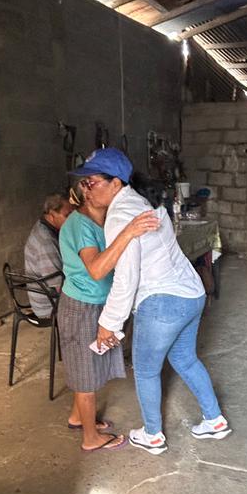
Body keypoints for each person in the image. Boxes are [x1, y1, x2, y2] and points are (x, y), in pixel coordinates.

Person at [78, 148, 230, 456]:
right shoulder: (141, 202)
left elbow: (126, 277)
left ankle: (152, 435)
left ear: (115, 183)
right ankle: (214, 420)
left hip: (162, 303)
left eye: (91, 182)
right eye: (83, 183)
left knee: (146, 370)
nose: (86, 190)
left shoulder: (120, 215)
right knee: (185, 359)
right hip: (190, 294)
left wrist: (109, 323)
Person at [57, 188, 158, 453]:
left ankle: (78, 417)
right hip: (81, 306)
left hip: (96, 303)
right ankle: (90, 438)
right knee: (85, 375)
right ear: (87, 193)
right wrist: (129, 232)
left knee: (87, 365)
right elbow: (97, 269)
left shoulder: (102, 220)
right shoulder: (80, 225)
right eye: (97, 185)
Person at [22, 194, 72, 324]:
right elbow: (58, 286)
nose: (72, 220)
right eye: (67, 215)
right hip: (49, 306)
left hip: (47, 296)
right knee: (93, 303)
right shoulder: (46, 242)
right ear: (51, 215)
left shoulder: (44, 226)